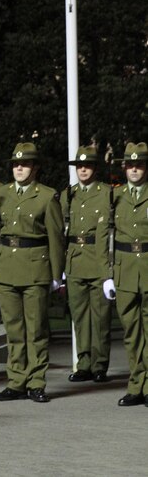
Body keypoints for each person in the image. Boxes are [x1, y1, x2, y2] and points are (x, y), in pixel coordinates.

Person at [0, 142, 65, 403]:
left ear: (35, 168)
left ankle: (36, 382)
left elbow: (55, 237)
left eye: (25, 164)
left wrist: (57, 274)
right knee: (13, 330)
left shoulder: (46, 196)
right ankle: (16, 381)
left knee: (36, 330)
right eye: (16, 164)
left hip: (35, 268)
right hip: (7, 266)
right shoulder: (1, 193)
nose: (19, 168)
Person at [97, 141, 148, 407]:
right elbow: (104, 236)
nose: (135, 169)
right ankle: (136, 385)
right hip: (124, 270)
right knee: (131, 332)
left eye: (139, 165)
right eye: (131, 165)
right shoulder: (114, 197)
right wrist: (106, 275)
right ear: (125, 168)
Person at [61, 146, 112, 383]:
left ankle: (100, 364)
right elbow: (60, 229)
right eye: (79, 166)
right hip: (74, 261)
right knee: (80, 317)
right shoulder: (68, 195)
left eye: (87, 165)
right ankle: (84, 364)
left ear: (94, 168)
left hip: (97, 258)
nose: (83, 170)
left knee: (100, 317)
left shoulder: (107, 193)